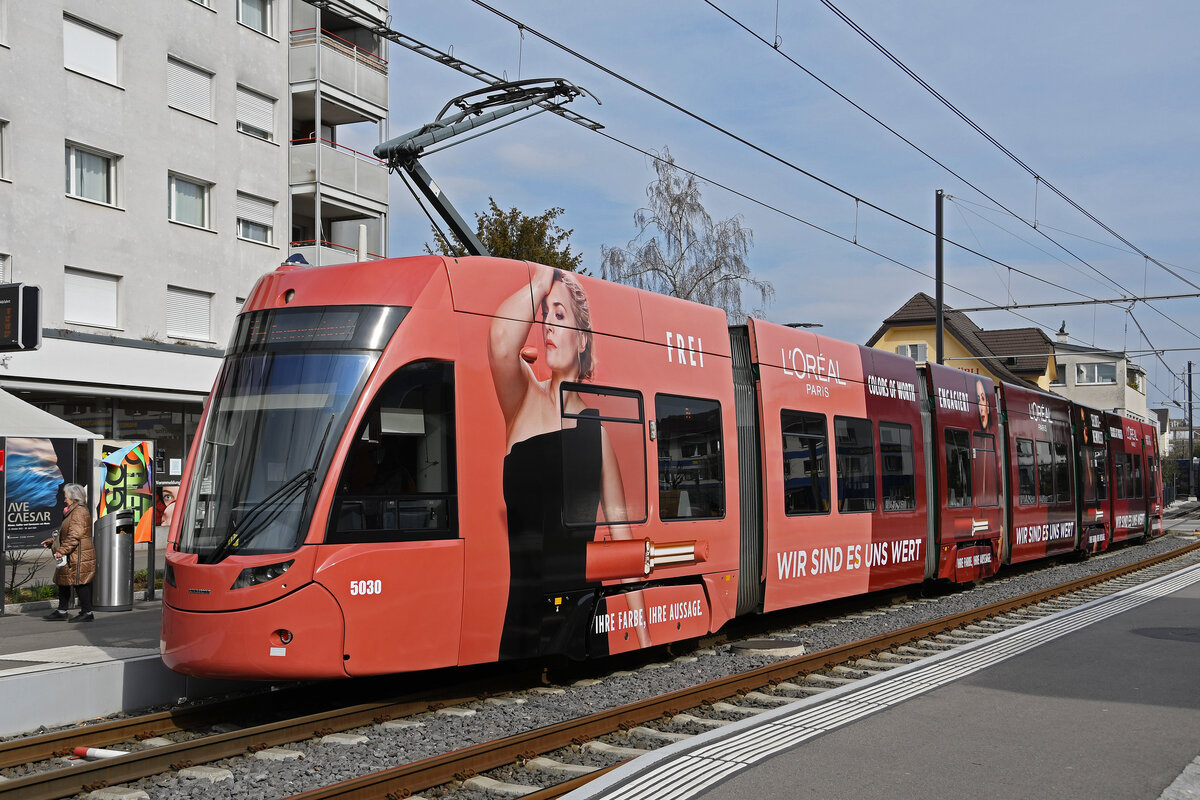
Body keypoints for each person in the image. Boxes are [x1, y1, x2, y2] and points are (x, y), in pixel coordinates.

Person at [489, 264, 649, 657]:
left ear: (582, 340)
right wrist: (544, 279)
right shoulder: (523, 396)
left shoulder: (599, 433)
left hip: (582, 618)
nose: (547, 326)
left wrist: (643, 637)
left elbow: (623, 542)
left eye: (560, 316)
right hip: (521, 619)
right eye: (545, 315)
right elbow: (499, 340)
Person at [42, 483, 96, 623]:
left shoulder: (79, 512)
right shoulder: (73, 511)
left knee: (80, 583)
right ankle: (62, 611)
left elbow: (74, 536)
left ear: (73, 498)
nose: (64, 499)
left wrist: (61, 550)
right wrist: (52, 542)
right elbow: (66, 533)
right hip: (73, 553)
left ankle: (87, 612)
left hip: (78, 554)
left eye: (66, 497)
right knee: (63, 581)